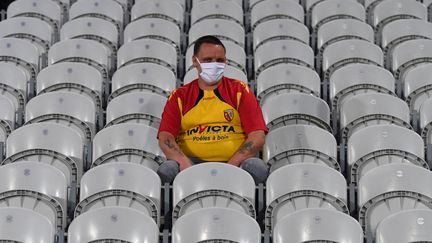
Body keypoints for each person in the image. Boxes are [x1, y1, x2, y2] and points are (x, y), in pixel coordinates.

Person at [157, 35, 268, 185]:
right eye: (208, 60)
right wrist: (184, 163)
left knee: (257, 168)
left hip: (235, 162)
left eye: (220, 61)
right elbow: (166, 137)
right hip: (191, 163)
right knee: (167, 170)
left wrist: (232, 165)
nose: (214, 65)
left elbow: (257, 135)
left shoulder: (239, 90)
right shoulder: (179, 96)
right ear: (194, 61)